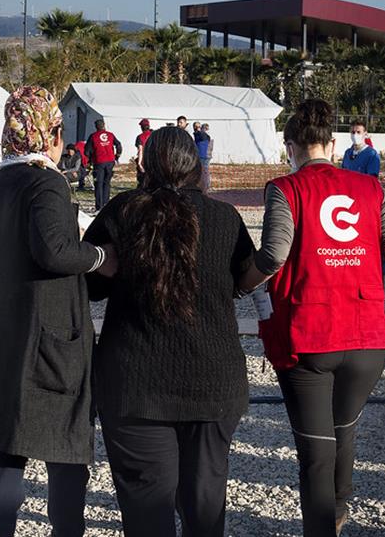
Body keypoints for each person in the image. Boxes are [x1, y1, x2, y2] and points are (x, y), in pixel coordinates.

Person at [239, 99, 385, 536]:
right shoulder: (370, 189)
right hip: (366, 335)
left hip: (310, 335)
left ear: (290, 145)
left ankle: (322, 527)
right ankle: (339, 510)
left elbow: (274, 254)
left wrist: (241, 283)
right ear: (334, 142)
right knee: (344, 432)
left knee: (316, 450)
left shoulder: (286, 188)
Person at [0, 86, 117, 536]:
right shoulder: (46, 183)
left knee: (1, 462)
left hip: (0, 337)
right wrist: (101, 257)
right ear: (50, 133)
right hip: (49, 345)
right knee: (66, 458)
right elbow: (56, 252)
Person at [83, 127, 255, 536]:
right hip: (213, 382)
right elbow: (242, 281)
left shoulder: (121, 212)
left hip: (135, 383)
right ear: (196, 168)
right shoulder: (224, 218)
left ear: (146, 165)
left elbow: (91, 288)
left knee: (146, 507)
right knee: (206, 502)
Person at [84, 119, 122, 211]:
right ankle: (106, 204)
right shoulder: (111, 135)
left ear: (95, 127)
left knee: (98, 184)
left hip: (99, 162)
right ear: (104, 125)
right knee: (107, 183)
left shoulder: (93, 136)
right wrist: (117, 156)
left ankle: (99, 206)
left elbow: (87, 151)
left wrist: (90, 160)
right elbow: (118, 145)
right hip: (110, 162)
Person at [192, 122, 211, 192]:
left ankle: (205, 188)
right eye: (195, 127)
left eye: (198, 127)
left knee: (204, 173)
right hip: (200, 156)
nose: (197, 128)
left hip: (202, 157)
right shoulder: (198, 135)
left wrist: (199, 131)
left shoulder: (202, 135)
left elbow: (203, 136)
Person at [135, 118, 153, 186]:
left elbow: (140, 150)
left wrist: (139, 163)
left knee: (143, 180)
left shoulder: (140, 137)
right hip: (153, 160)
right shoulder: (153, 135)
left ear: (142, 127)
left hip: (144, 161)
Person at [202, 123, 214, 190]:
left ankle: (207, 185)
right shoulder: (209, 136)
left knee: (205, 171)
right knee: (206, 171)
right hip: (207, 155)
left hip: (205, 156)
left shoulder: (207, 136)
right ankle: (207, 184)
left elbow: (209, 147)